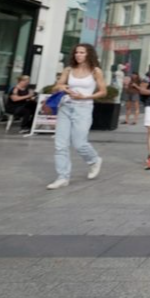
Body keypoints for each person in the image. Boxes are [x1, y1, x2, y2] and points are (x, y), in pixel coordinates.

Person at [46, 44, 106, 189]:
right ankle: (62, 177)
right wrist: (62, 87)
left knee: (79, 143)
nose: (78, 55)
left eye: (82, 52)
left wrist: (86, 96)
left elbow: (103, 91)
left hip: (83, 108)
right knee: (60, 144)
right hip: (66, 107)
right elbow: (56, 86)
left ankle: (94, 160)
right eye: (76, 52)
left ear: (88, 54)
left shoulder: (95, 71)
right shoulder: (68, 69)